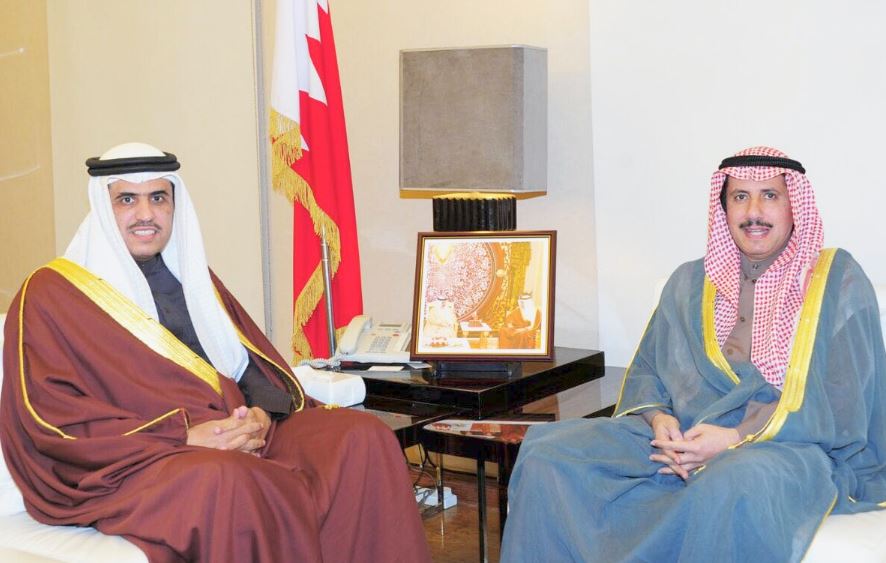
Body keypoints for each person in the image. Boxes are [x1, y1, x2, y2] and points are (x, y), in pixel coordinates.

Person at [0, 142, 431, 562]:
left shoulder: (191, 276)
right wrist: (183, 436)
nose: (146, 214)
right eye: (127, 199)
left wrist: (261, 416)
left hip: (233, 429)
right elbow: (51, 415)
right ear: (101, 206)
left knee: (360, 437)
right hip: (133, 460)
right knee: (230, 481)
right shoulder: (50, 293)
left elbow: (249, 365)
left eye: (158, 198)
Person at [500, 146, 886, 561]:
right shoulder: (689, 282)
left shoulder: (837, 280)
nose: (753, 211)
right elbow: (648, 369)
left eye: (770, 195)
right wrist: (660, 420)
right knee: (549, 451)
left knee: (732, 483)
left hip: (787, 445)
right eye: (740, 197)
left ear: (795, 204)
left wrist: (734, 438)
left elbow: (845, 402)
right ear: (724, 208)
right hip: (682, 431)